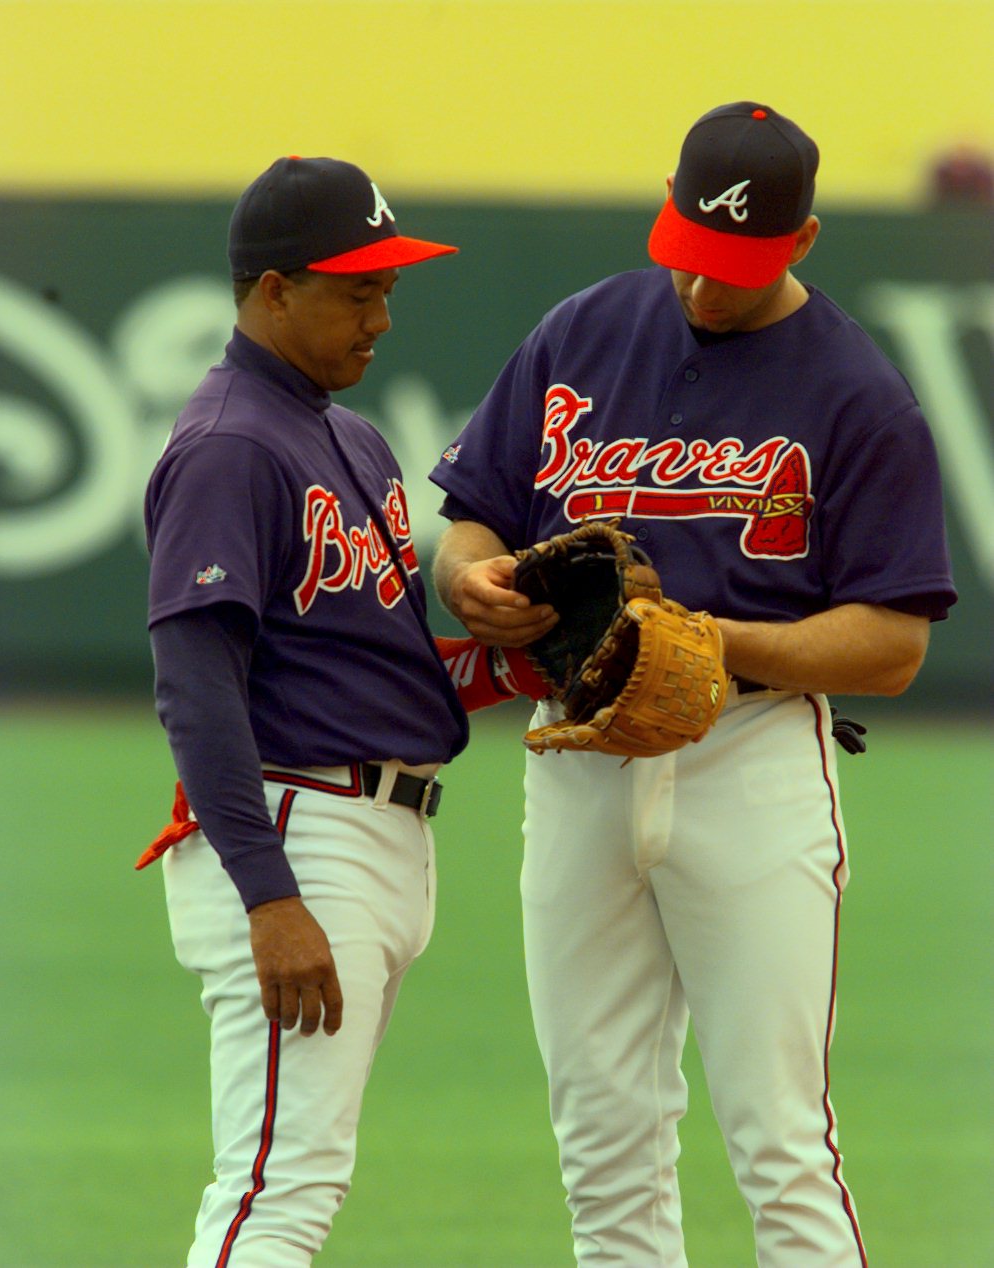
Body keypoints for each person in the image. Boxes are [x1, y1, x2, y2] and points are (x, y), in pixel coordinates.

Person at [429, 103, 957, 1266]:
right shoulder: (580, 332)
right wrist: (472, 579)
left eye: (736, 265)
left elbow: (894, 643)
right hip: (575, 760)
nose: (704, 288)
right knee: (603, 1141)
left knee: (780, 1142)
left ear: (804, 240)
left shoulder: (857, 392)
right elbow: (469, 518)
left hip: (750, 762)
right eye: (689, 253)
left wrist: (712, 636)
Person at [139, 156, 477, 1267]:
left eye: (388, 287)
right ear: (274, 290)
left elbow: (367, 663)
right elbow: (196, 681)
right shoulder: (233, 441)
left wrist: (519, 653)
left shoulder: (346, 435)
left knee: (291, 1183)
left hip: (368, 831)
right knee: (275, 1197)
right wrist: (270, 895)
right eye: (355, 289)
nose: (381, 315)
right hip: (299, 834)